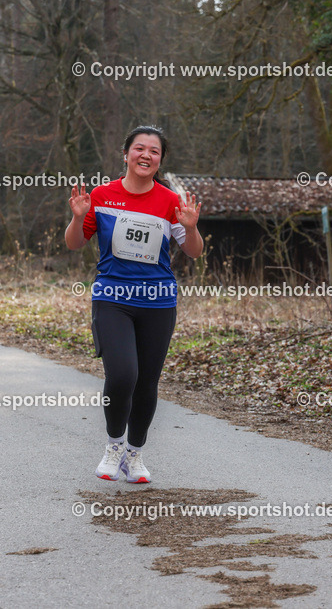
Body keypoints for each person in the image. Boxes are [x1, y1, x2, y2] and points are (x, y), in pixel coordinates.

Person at [66, 125, 203, 483]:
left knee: (147, 382)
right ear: (126, 154)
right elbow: (75, 244)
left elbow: (193, 251)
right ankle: (114, 445)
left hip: (158, 301)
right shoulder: (102, 194)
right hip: (113, 297)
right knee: (123, 374)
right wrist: (79, 217)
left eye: (154, 151)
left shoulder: (170, 201)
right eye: (139, 148)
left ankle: (135, 455)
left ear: (159, 161)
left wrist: (190, 227)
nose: (146, 155)